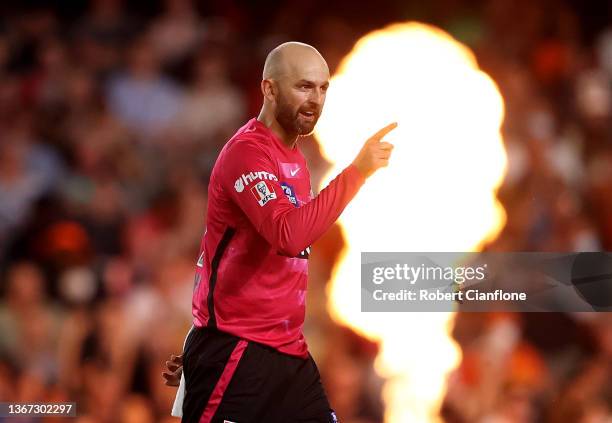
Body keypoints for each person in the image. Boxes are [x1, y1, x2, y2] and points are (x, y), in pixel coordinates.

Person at [164, 41, 396, 423]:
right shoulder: (247, 152)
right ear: (269, 89)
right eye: (304, 86)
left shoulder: (295, 160)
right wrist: (357, 172)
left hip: (287, 353)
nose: (316, 99)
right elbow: (288, 235)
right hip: (237, 353)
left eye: (323, 89)